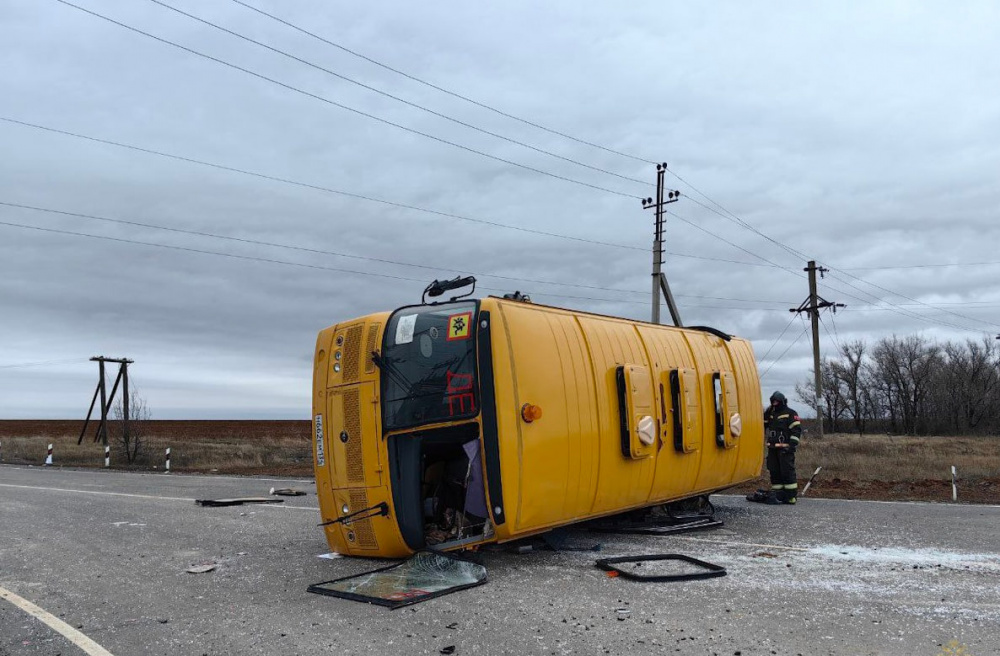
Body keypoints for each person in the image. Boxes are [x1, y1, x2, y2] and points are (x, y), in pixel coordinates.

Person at [747, 391, 802, 505]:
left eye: (777, 401)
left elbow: (796, 431)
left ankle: (791, 497)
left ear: (782, 401)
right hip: (772, 449)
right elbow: (761, 424)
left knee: (787, 472)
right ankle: (778, 495)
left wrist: (791, 446)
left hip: (785, 450)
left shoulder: (790, 413)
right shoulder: (771, 414)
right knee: (774, 471)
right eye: (773, 402)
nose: (775, 403)